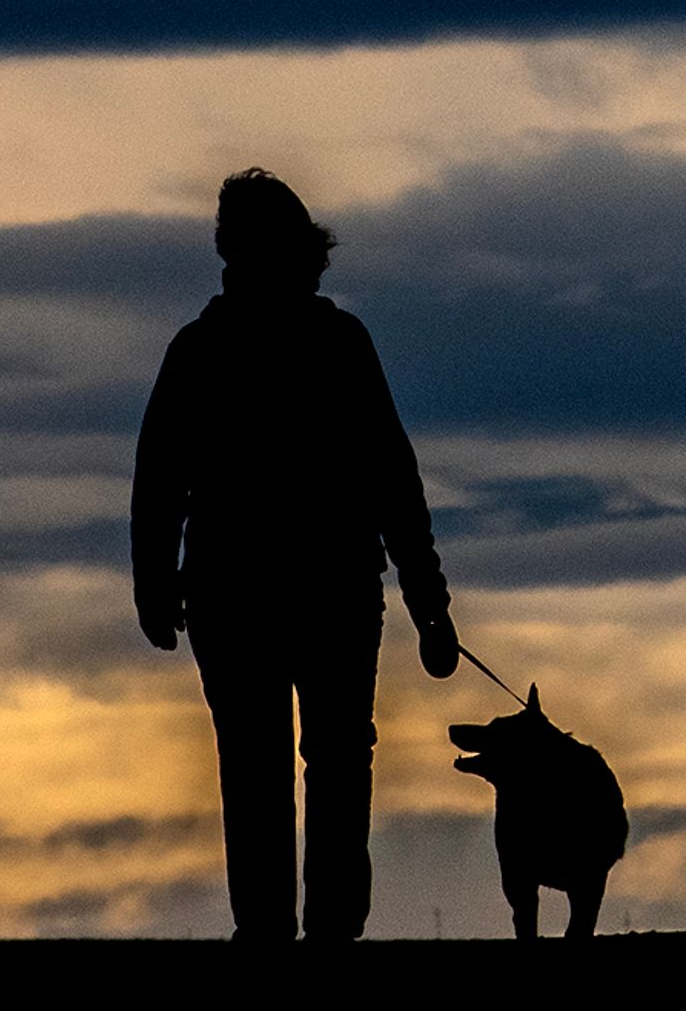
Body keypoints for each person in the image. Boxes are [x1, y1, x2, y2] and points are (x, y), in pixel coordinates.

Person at [132, 169, 459, 943]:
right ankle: (315, 935)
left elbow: (159, 482)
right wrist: (429, 602)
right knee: (328, 763)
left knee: (269, 769)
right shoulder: (329, 345)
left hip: (258, 590)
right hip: (317, 589)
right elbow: (393, 478)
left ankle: (285, 935)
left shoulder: (207, 349)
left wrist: (154, 585)